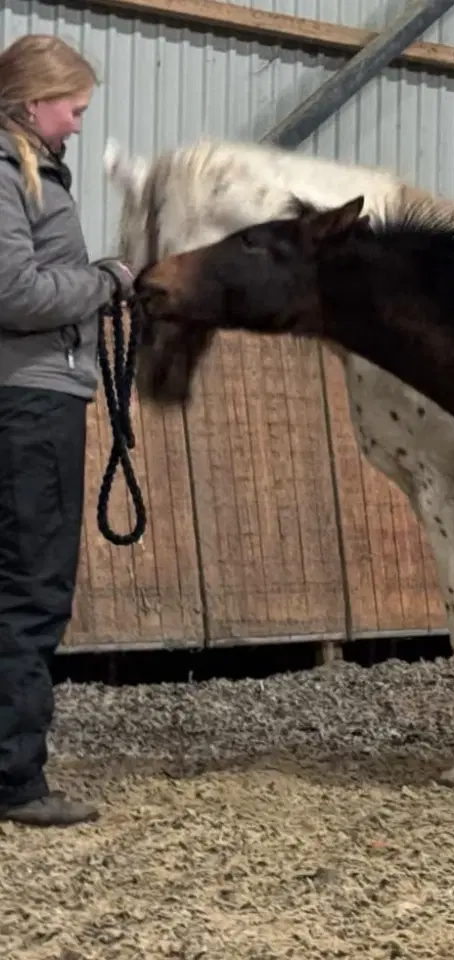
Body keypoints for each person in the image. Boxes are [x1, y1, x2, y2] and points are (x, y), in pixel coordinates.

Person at [0, 34, 134, 827]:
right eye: (72, 107)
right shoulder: (10, 176)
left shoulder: (32, 172)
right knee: (32, 590)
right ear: (31, 102)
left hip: (31, 394)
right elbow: (15, 293)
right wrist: (106, 280)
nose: (79, 123)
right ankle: (17, 780)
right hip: (33, 403)